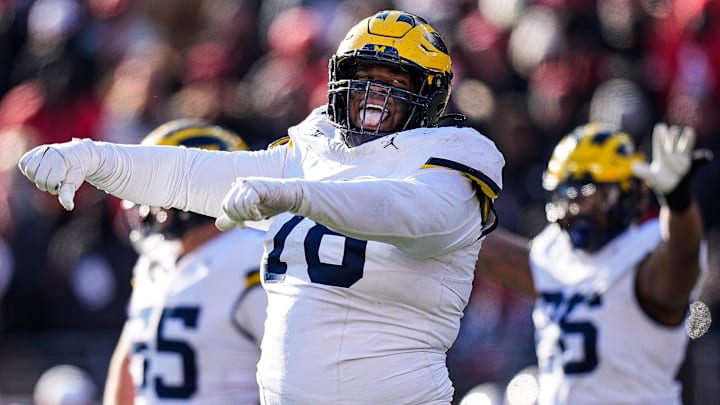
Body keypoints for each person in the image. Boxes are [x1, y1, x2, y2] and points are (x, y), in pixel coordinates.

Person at [17, 10, 505, 404]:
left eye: (394, 79)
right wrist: (95, 157)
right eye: (362, 76)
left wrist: (299, 195)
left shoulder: (451, 157)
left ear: (431, 94)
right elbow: (190, 174)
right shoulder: (310, 152)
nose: (372, 93)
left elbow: (409, 214)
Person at [476, 122, 710, 404]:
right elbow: (488, 252)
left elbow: (682, 256)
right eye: (568, 195)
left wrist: (679, 203)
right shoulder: (554, 254)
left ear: (628, 195)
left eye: (589, 194)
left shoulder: (645, 255)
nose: (577, 208)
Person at [101, 120, 267, 404]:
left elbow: (298, 375)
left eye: (156, 184)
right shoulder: (155, 261)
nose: (146, 200)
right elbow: (128, 367)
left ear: (200, 188)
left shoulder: (256, 259)